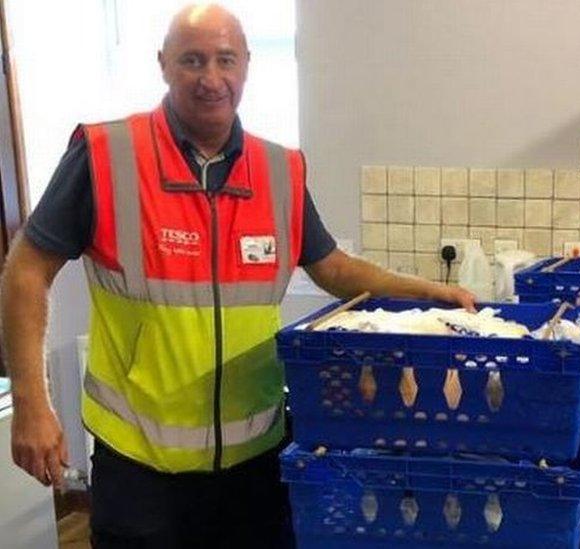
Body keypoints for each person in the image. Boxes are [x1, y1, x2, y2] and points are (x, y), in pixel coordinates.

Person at [0, 4, 474, 548]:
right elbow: (27, 268)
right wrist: (33, 406)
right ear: (163, 65)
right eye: (192, 60)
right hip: (140, 468)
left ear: (247, 64)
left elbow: (334, 268)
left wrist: (427, 292)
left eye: (226, 60)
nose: (211, 78)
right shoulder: (108, 154)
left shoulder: (280, 170)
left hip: (254, 461)